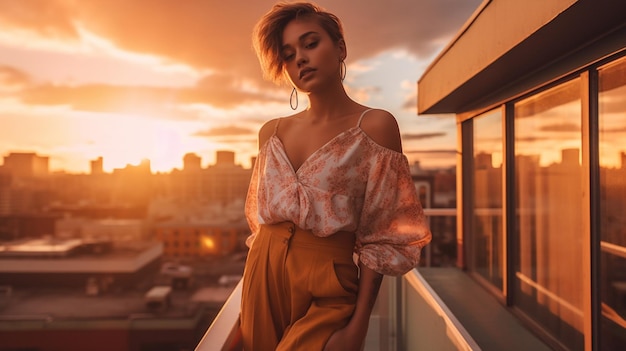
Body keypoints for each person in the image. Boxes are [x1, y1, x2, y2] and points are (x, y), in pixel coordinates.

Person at [235, 2, 432, 350]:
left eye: (311, 43)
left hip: (328, 281)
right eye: (288, 53)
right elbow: (259, 218)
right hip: (262, 273)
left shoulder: (375, 127)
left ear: (340, 47)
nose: (300, 59)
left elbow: (384, 235)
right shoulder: (271, 133)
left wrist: (358, 326)